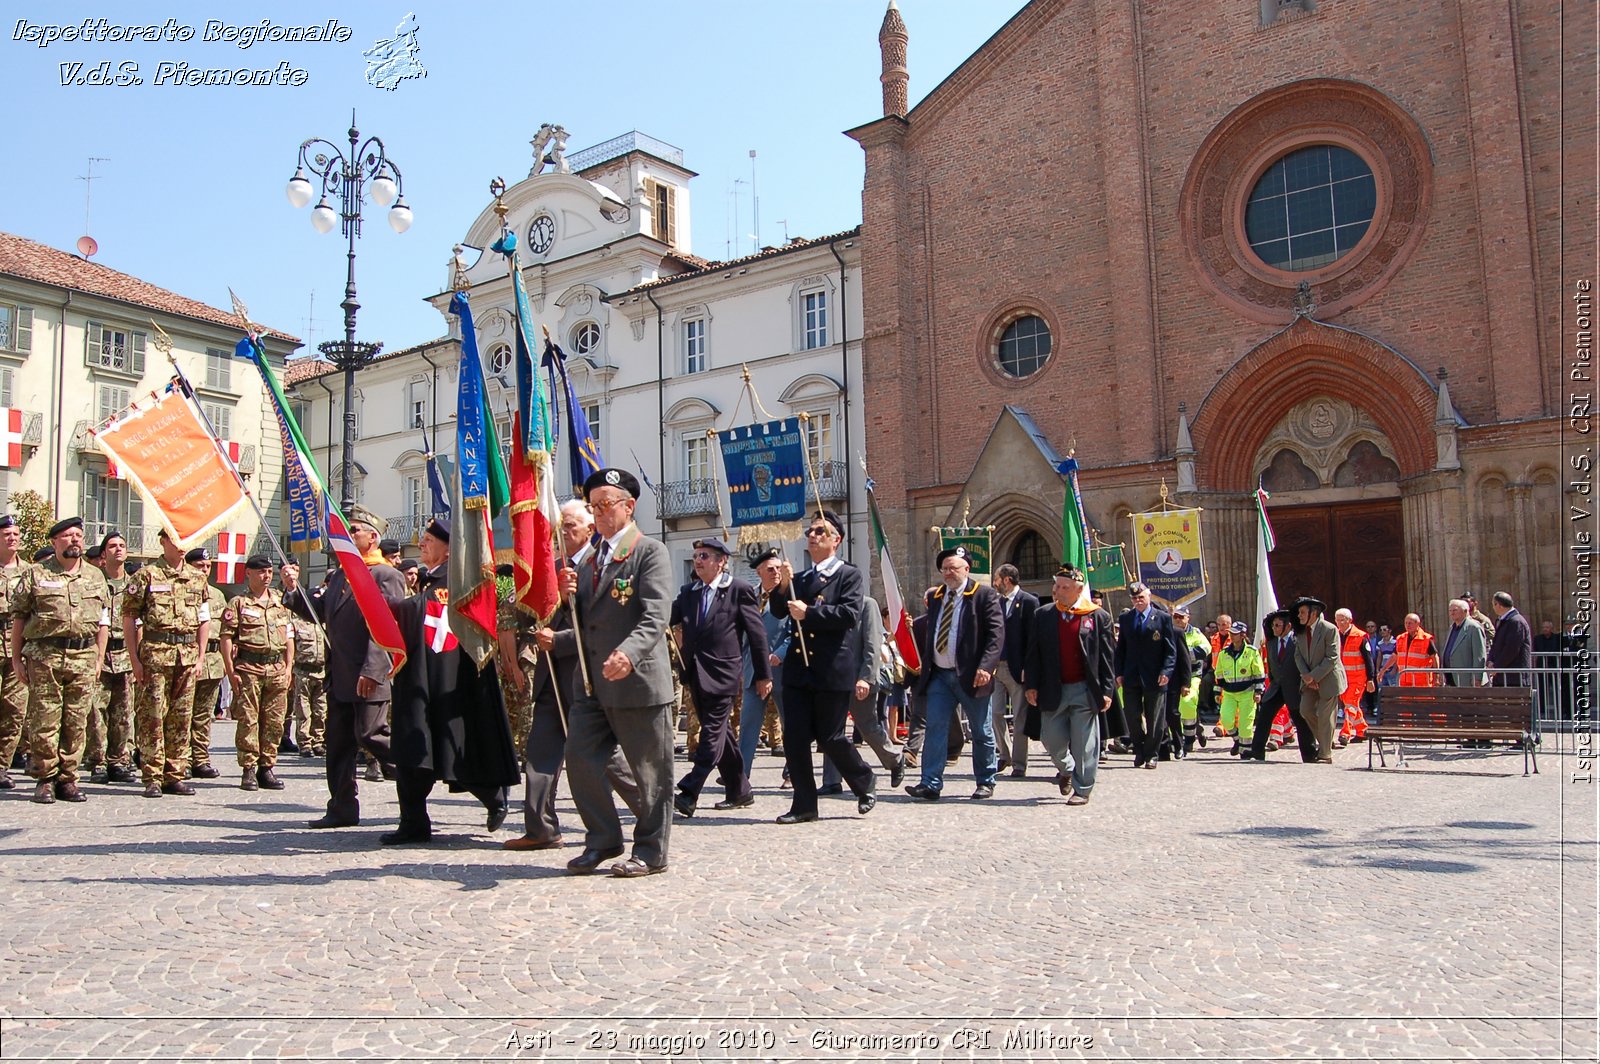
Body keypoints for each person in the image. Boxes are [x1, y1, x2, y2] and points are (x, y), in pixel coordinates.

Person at [508, 499, 643, 851]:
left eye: (572, 526)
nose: (564, 532)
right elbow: (529, 615)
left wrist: (561, 639)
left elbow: (606, 627)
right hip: (550, 675)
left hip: (585, 674)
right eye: (561, 526)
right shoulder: (551, 568)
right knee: (540, 751)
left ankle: (649, 812)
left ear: (589, 530)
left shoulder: (602, 566)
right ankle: (540, 827)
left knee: (605, 754)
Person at [561, 468, 676, 877]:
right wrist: (569, 597)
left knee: (651, 773)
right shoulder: (592, 558)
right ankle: (603, 839)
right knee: (580, 759)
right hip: (592, 683)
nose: (599, 513)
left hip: (637, 681)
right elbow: (587, 622)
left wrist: (628, 653)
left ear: (629, 506)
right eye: (594, 506)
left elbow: (655, 615)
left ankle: (651, 851)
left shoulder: (650, 553)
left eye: (606, 504)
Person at [379, 517, 519, 845]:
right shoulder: (431, 580)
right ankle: (413, 822)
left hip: (446, 678)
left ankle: (492, 795)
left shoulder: (452, 583)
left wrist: (385, 609)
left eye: (429, 539)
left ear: (447, 548)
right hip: (423, 676)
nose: (422, 544)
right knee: (417, 751)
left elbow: (427, 612)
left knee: (450, 747)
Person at [294, 505, 403, 828]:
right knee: (338, 744)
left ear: (373, 537)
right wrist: (293, 589)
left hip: (368, 673)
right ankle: (342, 807)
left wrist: (373, 668)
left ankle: (417, 768)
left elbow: (386, 625)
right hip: (340, 674)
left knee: (371, 735)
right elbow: (321, 612)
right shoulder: (342, 573)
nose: (347, 534)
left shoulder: (386, 574)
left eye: (354, 530)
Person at [770, 509, 878, 822]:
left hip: (831, 668)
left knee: (831, 737)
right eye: (811, 531)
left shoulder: (849, 574)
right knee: (795, 738)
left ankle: (863, 779)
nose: (813, 536)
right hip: (798, 669)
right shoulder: (802, 578)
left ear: (836, 540)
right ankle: (804, 804)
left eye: (820, 531)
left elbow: (848, 615)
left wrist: (811, 613)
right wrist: (783, 584)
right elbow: (779, 611)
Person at [10, 517, 110, 804]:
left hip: (83, 655)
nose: (74, 540)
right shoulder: (36, 574)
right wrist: (17, 659)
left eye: (78, 535)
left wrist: (99, 657)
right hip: (45, 656)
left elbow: (103, 620)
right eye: (67, 536)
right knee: (45, 720)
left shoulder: (95, 577)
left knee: (76, 721)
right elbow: (19, 618)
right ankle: (45, 777)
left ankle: (68, 777)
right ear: (54, 542)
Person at [670, 536, 769, 817]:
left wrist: (763, 674)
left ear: (721, 561)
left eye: (705, 556)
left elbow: (757, 634)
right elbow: (667, 617)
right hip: (695, 672)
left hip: (724, 674)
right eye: (697, 555)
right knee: (722, 734)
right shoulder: (689, 592)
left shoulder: (738, 589)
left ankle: (690, 790)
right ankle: (740, 790)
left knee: (711, 733)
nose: (698, 561)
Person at [905, 545, 1003, 801]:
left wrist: (986, 666)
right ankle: (930, 783)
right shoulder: (937, 597)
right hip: (940, 675)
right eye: (944, 568)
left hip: (971, 675)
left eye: (953, 568)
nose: (948, 573)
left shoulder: (984, 595)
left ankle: (985, 780)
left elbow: (996, 635)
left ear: (967, 569)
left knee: (981, 730)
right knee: (936, 727)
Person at [124, 528, 211, 798]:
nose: (181, 544)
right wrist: (134, 660)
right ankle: (152, 774)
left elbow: (203, 619)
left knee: (182, 717)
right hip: (155, 653)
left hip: (186, 654)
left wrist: (199, 657)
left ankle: (174, 773)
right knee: (152, 716)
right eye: (175, 538)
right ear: (163, 541)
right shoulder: (146, 575)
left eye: (185, 539)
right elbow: (129, 619)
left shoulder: (197, 578)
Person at [1022, 566, 1114, 804]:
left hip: (1084, 688)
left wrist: (1107, 690)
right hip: (1053, 687)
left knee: (1085, 744)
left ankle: (1082, 789)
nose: (1058, 591)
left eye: (1065, 587)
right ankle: (1067, 769)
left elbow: (1106, 657)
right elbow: (1033, 653)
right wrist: (1031, 685)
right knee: (1051, 740)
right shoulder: (1043, 615)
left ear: (1079, 590)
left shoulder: (1097, 616)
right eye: (1057, 586)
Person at [218, 556, 294, 791]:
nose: (267, 576)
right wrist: (231, 672)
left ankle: (267, 767)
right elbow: (226, 638)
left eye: (270, 571)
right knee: (249, 719)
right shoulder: (239, 604)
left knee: (274, 721)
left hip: (277, 668)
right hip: (249, 668)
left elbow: (289, 636)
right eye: (261, 572)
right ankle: (248, 768)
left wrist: (289, 666)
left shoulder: (281, 602)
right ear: (248, 574)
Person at [821, 594, 907, 793]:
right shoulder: (829, 603)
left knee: (867, 726)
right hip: (834, 678)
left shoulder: (868, 604)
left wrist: (866, 678)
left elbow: (872, 645)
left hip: (860, 678)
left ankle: (895, 759)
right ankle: (831, 781)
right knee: (832, 730)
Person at [82, 532, 135, 784]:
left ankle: (119, 760)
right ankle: (97, 761)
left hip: (125, 652)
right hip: (97, 653)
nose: (118, 550)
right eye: (112, 546)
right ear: (103, 554)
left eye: (122, 546)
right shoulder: (93, 581)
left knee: (123, 712)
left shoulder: (135, 583)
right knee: (95, 711)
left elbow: (140, 622)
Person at [738, 549, 790, 777]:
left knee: (790, 726)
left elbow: (794, 633)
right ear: (759, 572)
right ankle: (741, 775)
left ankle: (792, 772)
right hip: (753, 671)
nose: (776, 573)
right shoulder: (749, 598)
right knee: (748, 724)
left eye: (779, 568)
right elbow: (739, 634)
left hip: (781, 670)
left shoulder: (789, 597)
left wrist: (780, 653)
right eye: (770, 569)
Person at [1114, 582, 1177, 769]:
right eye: (1134, 598)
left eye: (1141, 597)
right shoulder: (1126, 618)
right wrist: (1119, 672)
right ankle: (1139, 750)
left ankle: (1152, 754)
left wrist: (1166, 671)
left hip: (1155, 676)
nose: (1138, 601)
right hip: (1131, 675)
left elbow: (1170, 650)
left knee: (1155, 719)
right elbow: (1121, 649)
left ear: (1149, 596)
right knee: (1132, 716)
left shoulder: (1163, 618)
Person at [989, 563, 1038, 775]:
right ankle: (1004, 754)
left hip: (1018, 668)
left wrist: (1030, 666)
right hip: (996, 667)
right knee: (995, 713)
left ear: (1006, 580)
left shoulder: (1029, 602)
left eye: (997, 579)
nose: (994, 583)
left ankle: (1019, 763)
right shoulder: (997, 602)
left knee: (1019, 717)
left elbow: (1033, 639)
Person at [184, 547, 227, 776]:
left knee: (204, 714)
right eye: (200, 566)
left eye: (208, 566)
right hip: (189, 658)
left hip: (213, 660)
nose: (205, 570)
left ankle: (200, 758)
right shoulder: (183, 591)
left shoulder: (217, 595)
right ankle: (180, 759)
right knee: (182, 714)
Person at [1247, 610, 1309, 761]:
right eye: (1273, 625)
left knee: (1301, 722)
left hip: (1293, 689)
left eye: (1277, 625)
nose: (1273, 628)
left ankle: (1309, 754)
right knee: (1264, 717)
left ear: (1288, 627)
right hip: (1276, 688)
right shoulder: (1272, 643)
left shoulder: (1298, 641)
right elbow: (1273, 667)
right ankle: (1257, 751)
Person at [1291, 596, 1346, 763]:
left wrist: (1314, 676)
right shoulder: (1300, 632)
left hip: (1328, 679)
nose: (1299, 616)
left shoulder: (1329, 629)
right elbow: (1298, 655)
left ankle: (1325, 754)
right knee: (1305, 710)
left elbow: (1332, 657)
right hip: (1308, 679)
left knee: (1325, 715)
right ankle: (1326, 743)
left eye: (1302, 612)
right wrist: (1307, 676)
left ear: (1313, 613)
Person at [280, 563, 327, 757]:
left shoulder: (323, 624)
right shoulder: (296, 621)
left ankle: (319, 741)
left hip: (321, 670)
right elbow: (290, 643)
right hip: (302, 670)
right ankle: (304, 743)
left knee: (321, 710)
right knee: (302, 710)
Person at [0, 514, 29, 790]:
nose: (13, 538)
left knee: (15, 708)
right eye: (7, 534)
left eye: (16, 534)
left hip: (16, 645)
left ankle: (1, 765)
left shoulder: (30, 572)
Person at [1213, 621, 1265, 756]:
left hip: (1247, 692)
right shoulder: (1224, 653)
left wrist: (1258, 691)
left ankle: (1245, 750)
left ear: (1242, 635)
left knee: (1245, 722)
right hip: (1229, 693)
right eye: (1231, 633)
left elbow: (1259, 673)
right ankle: (1237, 740)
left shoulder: (1252, 652)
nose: (1231, 635)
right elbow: (1219, 673)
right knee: (1226, 719)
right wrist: (1217, 692)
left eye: (1235, 633)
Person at [1333, 608, 1375, 744]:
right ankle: (1362, 730)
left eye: (1342, 620)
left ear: (1350, 620)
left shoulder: (1361, 636)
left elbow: (1369, 659)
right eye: (1337, 620)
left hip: (1358, 678)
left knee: (1350, 705)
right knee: (1351, 705)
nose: (1339, 623)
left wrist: (1370, 679)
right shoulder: (1336, 636)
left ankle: (1345, 733)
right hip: (1343, 678)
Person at [1172, 606, 1210, 755]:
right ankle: (1177, 738)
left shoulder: (1195, 633)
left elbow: (1205, 649)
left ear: (1188, 618)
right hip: (1173, 676)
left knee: (1187, 703)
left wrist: (1183, 655)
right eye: (1176, 616)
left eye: (1181, 617)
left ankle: (1189, 740)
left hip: (1192, 674)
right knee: (1173, 708)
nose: (1178, 619)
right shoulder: (1168, 632)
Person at [1486, 591, 1533, 687]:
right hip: (1503, 677)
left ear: (1498, 605)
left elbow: (1512, 648)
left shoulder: (1516, 622)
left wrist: (1497, 666)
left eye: (1494, 605)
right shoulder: (1504, 621)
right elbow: (1496, 645)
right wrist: (1491, 661)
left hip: (1514, 677)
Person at [1440, 599, 1488, 687]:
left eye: (1455, 610)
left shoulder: (1474, 628)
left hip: (1467, 679)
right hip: (1451, 678)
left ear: (1465, 611)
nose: (1452, 613)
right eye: (1450, 611)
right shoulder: (1452, 628)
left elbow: (1479, 656)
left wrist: (1477, 678)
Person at [1389, 614, 1440, 688]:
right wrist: (1383, 670)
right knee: (1405, 700)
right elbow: (1394, 656)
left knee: (1423, 700)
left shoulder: (1426, 639)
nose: (1407, 625)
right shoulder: (1400, 638)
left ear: (1417, 624)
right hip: (1404, 681)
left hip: (1422, 682)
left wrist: (1437, 676)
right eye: (1406, 623)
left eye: (1410, 623)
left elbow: (1435, 658)